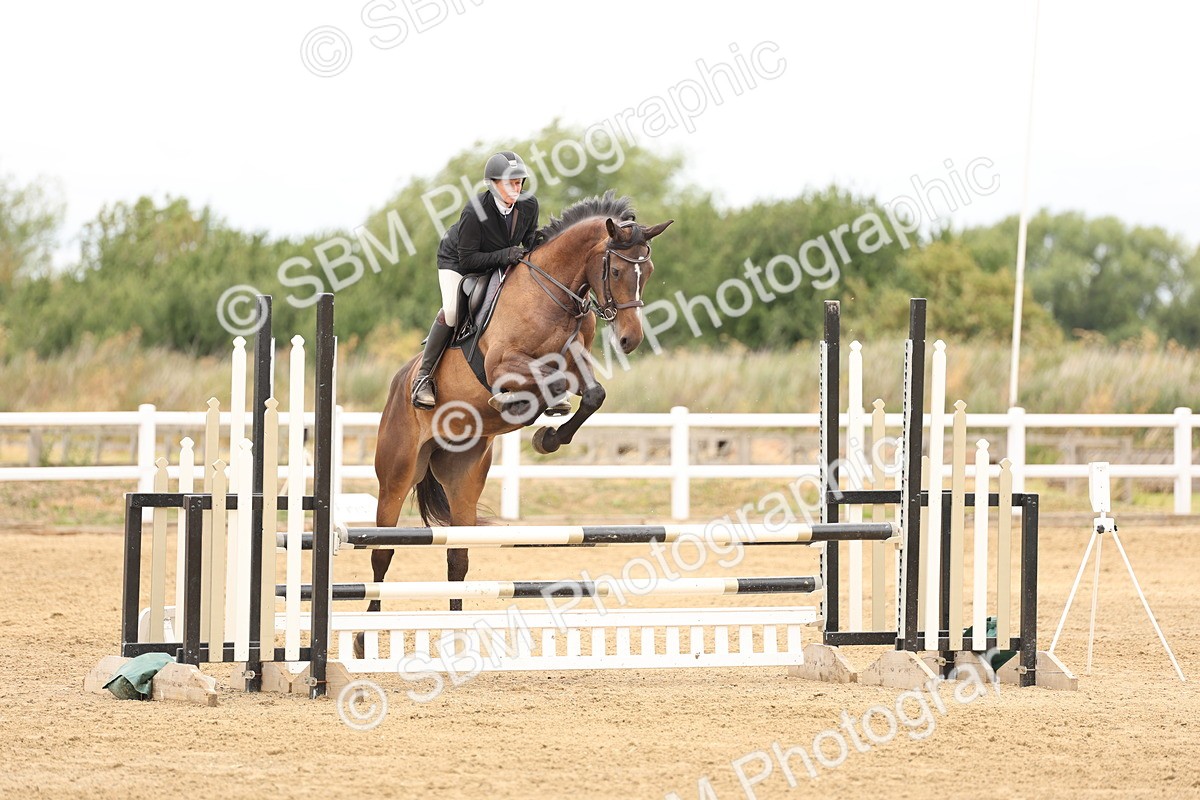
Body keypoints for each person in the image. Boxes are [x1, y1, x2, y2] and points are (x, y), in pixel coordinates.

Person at [411, 151, 540, 409]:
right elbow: (469, 260)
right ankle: (423, 377)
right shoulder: (475, 211)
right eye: (510, 182)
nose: (517, 187)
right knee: (451, 311)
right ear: (493, 184)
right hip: (458, 261)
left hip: (498, 259)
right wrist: (506, 255)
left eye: (519, 182)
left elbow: (530, 240)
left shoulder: (528, 205)